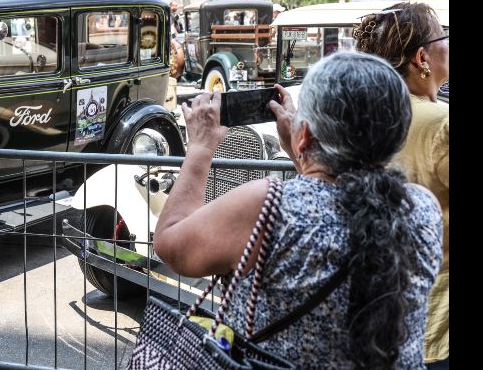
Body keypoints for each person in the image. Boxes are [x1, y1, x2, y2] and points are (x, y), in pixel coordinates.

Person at [153, 51, 443, 368]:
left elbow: (170, 243)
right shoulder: (420, 208)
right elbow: (341, 195)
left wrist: (200, 146)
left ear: (304, 136)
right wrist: (300, 149)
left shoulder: (268, 207)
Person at [355, 2, 449, 369]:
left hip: (378, 317)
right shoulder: (440, 124)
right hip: (437, 324)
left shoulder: (362, 116)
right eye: (444, 37)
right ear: (422, 58)